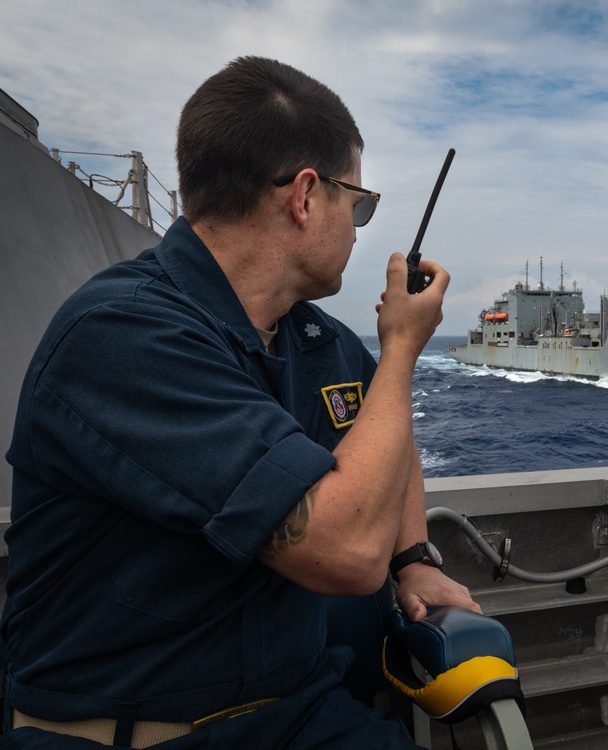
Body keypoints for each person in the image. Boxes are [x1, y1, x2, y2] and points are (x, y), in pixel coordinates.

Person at [1, 56, 478, 748]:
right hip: (129, 733)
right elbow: (344, 551)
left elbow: (386, 430)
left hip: (296, 711)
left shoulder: (318, 341)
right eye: (360, 203)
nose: (358, 225)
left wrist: (415, 561)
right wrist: (405, 348)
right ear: (306, 197)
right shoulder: (122, 336)